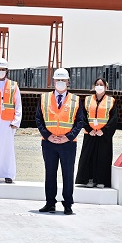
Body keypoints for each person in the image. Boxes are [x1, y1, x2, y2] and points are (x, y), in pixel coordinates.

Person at [36, 68, 87, 215]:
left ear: (68, 82)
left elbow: (80, 121)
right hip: (49, 143)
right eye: (58, 80)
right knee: (50, 174)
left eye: (63, 80)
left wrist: (68, 137)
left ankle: (68, 204)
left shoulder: (76, 100)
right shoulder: (44, 98)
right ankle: (50, 203)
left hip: (68, 144)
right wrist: (47, 135)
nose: (60, 83)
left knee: (68, 174)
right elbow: (39, 119)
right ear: (53, 81)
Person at [76, 78, 118, 189]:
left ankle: (101, 180)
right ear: (94, 86)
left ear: (106, 87)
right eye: (97, 84)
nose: (99, 86)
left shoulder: (111, 101)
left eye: (101, 84)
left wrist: (104, 131)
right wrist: (89, 130)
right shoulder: (87, 100)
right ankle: (89, 179)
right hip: (90, 134)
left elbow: (114, 119)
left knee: (103, 158)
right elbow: (82, 116)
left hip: (103, 135)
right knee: (89, 157)